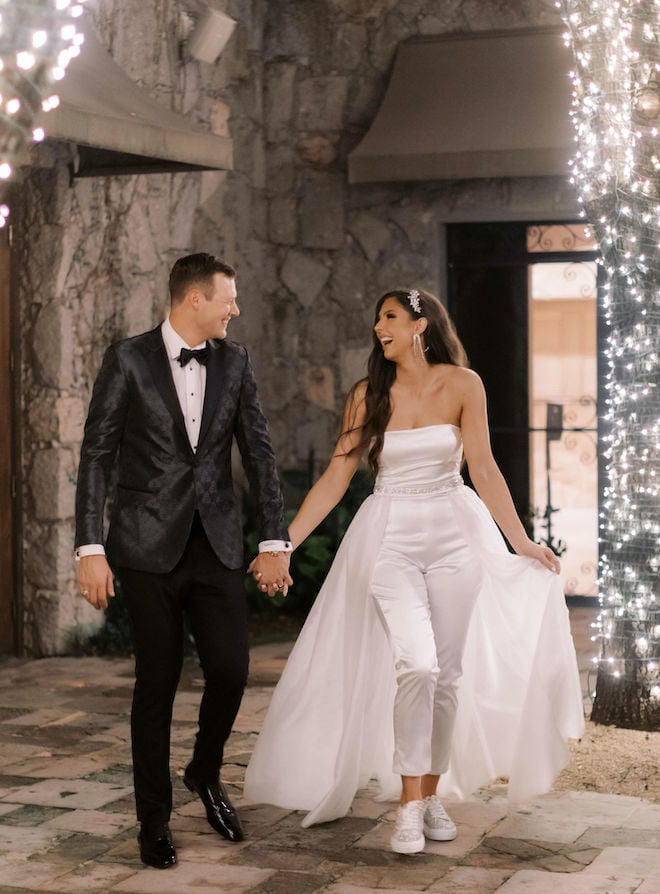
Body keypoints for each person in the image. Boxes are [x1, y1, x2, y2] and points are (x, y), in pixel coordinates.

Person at [244, 287, 584, 855]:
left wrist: (522, 541)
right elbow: (335, 478)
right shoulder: (367, 395)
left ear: (421, 324)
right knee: (418, 666)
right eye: (377, 319)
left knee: (448, 675)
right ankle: (406, 805)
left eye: (392, 317)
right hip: (390, 538)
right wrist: (280, 544)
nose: (380, 327)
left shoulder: (462, 385)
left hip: (457, 535)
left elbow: (484, 467)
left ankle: (429, 795)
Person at [75, 253, 293, 869]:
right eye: (228, 298)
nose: (236, 309)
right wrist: (90, 547)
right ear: (193, 299)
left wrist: (273, 537)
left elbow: (260, 454)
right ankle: (154, 820)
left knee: (231, 669)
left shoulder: (238, 361)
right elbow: (96, 456)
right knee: (157, 685)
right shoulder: (128, 359)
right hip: (145, 548)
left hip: (216, 544)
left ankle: (204, 768)